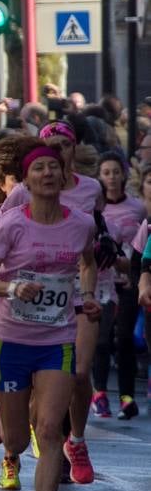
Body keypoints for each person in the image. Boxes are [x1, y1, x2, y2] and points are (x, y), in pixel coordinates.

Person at [0, 140, 100, 491]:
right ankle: (3, 418)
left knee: (48, 428)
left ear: (63, 177)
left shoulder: (81, 223)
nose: (47, 174)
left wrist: (85, 296)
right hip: (11, 341)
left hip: (56, 341)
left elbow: (86, 263)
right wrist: (12, 286)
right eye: (38, 168)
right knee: (16, 441)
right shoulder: (10, 224)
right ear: (25, 179)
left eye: (53, 168)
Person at [93, 152, 144, 419]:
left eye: (115, 172)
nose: (111, 177)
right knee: (101, 341)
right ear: (99, 177)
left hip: (128, 283)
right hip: (101, 283)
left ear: (124, 174)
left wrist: (130, 267)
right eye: (106, 172)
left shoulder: (137, 208)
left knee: (124, 339)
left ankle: (126, 397)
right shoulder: (95, 209)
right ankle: (99, 393)